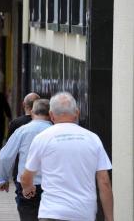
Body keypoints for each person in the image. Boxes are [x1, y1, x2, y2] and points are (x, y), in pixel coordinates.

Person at [21, 92, 113, 221]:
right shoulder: (93, 139)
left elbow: (26, 177)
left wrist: (28, 188)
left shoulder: (42, 138)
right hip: (83, 214)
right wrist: (110, 218)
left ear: (51, 115)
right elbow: (104, 182)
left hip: (51, 213)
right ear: (77, 113)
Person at [0, 99, 52, 221]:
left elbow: (5, 157)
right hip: (53, 187)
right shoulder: (56, 131)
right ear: (51, 113)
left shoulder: (22, 131)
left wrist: (2, 179)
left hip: (27, 186)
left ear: (32, 112)